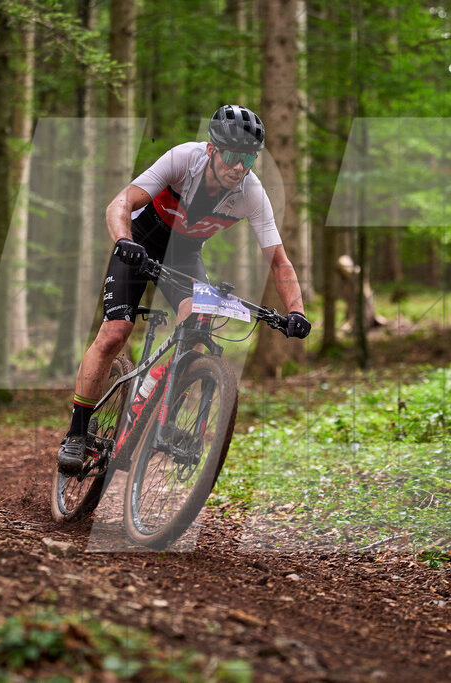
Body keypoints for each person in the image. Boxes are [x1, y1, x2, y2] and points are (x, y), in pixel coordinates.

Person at [57, 104, 310, 475]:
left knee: (198, 326)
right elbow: (121, 203)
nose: (238, 167)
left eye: (248, 158)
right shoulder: (183, 159)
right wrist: (124, 240)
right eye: (231, 155)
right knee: (115, 334)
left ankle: (155, 408)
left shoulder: (251, 194)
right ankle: (77, 433)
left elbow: (279, 261)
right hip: (140, 242)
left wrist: (297, 311)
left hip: (184, 255)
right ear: (211, 149)